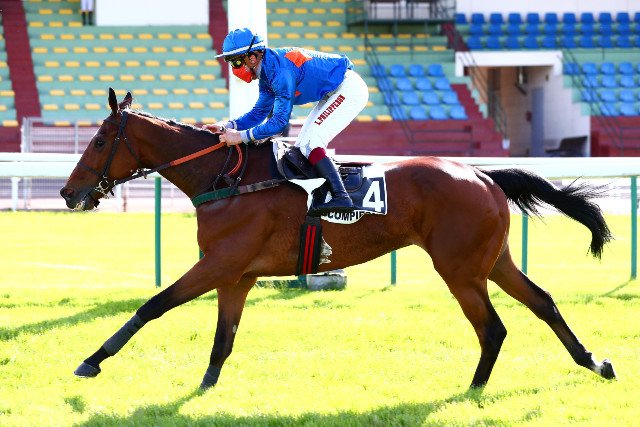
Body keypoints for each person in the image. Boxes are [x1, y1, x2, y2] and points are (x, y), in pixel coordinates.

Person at [203, 28, 369, 216]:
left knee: (311, 144)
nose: (234, 68)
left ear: (252, 58)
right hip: (335, 90)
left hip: (348, 89)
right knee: (302, 147)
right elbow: (259, 113)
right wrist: (227, 126)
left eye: (236, 61)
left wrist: (241, 136)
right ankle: (322, 194)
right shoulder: (267, 71)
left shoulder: (279, 72)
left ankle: (342, 197)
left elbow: (279, 122)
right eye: (231, 62)